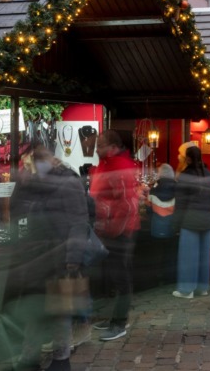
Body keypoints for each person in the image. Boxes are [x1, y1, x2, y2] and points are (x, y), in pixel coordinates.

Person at [9, 145, 89, 371]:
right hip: (34, 255)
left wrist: (72, 257)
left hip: (60, 255)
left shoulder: (67, 181)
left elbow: (78, 221)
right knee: (34, 309)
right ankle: (29, 356)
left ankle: (61, 359)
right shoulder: (30, 182)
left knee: (59, 310)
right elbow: (17, 214)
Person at [90, 130, 140, 342]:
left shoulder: (118, 167)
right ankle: (116, 318)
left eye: (100, 145)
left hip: (119, 231)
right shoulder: (108, 164)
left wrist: (113, 229)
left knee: (120, 277)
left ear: (112, 146)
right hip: (110, 229)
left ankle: (119, 322)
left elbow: (127, 204)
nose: (96, 149)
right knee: (114, 276)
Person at [172, 146, 210, 298]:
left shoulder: (185, 175)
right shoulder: (209, 174)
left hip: (190, 220)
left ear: (188, 159)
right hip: (207, 219)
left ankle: (186, 289)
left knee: (188, 256)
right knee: (204, 256)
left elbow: (180, 203)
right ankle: (202, 288)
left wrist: (176, 223)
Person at [147, 164, 177, 284]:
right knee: (170, 253)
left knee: (157, 253)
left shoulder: (153, 190)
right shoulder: (178, 189)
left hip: (156, 227)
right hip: (172, 227)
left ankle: (156, 277)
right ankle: (170, 277)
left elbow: (148, 210)